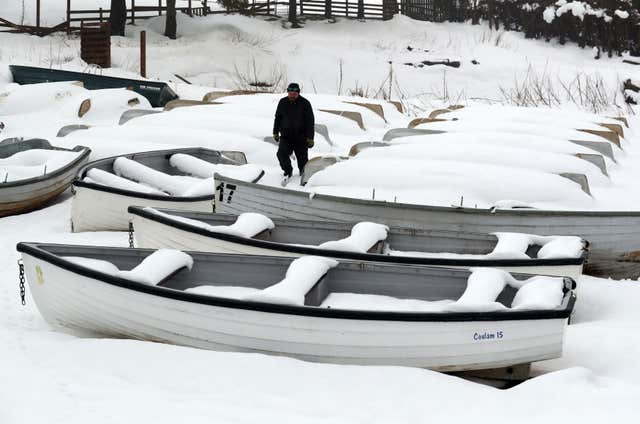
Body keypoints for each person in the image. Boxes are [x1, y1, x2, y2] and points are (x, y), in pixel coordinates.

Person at [273, 82, 314, 185]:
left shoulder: (305, 103)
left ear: (298, 92)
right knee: (281, 154)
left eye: (295, 92)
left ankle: (303, 175)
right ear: (288, 92)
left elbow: (310, 122)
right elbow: (278, 118)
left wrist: (310, 138)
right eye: (290, 91)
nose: (292, 93)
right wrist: (275, 132)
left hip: (301, 137)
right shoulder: (282, 102)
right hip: (286, 137)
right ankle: (288, 171)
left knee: (303, 161)